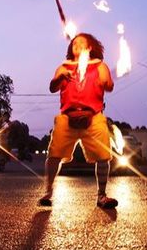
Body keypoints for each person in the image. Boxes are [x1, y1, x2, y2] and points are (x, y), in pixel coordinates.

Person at [39, 33, 118, 209]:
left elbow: (109, 86)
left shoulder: (99, 65)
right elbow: (52, 87)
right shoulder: (63, 67)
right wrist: (61, 77)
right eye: (75, 42)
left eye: (82, 42)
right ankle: (48, 192)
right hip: (67, 117)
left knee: (103, 156)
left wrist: (105, 80)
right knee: (54, 155)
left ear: (90, 47)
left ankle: (102, 196)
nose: (77, 44)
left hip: (94, 116)